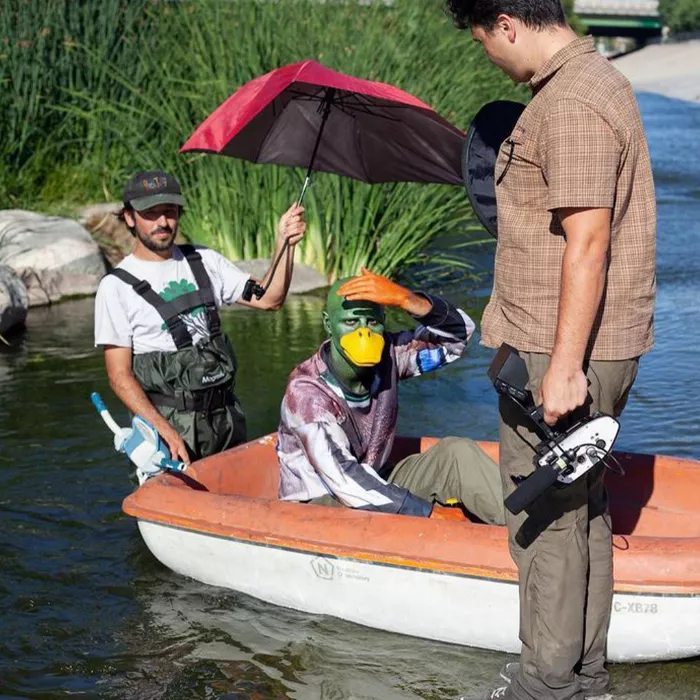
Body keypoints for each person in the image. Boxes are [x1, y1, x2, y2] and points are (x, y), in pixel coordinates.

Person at [444, 2, 656, 699]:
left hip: (559, 352)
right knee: (583, 510)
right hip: (572, 343)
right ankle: (582, 675)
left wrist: (564, 367)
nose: (488, 58)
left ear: (507, 24)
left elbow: (588, 242)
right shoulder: (593, 83)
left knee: (546, 519)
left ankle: (547, 684)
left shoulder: (571, 103)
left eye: (482, 43)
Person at [94, 170, 306, 464]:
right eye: (150, 214)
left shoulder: (205, 260)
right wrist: (165, 431)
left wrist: (286, 243)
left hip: (226, 420)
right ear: (129, 218)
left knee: (234, 503)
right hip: (167, 430)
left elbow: (270, 299)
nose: (162, 223)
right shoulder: (115, 287)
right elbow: (119, 377)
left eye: (169, 212)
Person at [277, 268, 506, 525]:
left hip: (376, 480)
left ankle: (525, 534)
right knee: (379, 501)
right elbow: (342, 479)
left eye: (372, 322)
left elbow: (459, 337)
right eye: (351, 322)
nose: (363, 333)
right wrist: (429, 513)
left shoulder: (390, 356)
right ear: (329, 325)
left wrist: (405, 299)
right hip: (321, 505)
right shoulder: (307, 394)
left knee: (456, 453)